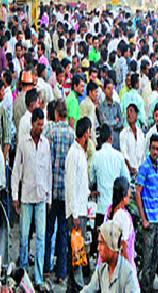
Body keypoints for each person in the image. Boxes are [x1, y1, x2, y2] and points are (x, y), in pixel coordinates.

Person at [12, 108, 52, 290]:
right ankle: (23, 276)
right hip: (26, 197)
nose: (40, 127)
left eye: (42, 124)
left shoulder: (46, 144)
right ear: (32, 123)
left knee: (41, 238)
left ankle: (38, 278)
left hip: (42, 196)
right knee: (24, 237)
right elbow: (16, 171)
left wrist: (49, 196)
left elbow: (48, 171)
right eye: (38, 124)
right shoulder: (23, 143)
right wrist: (15, 196)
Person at [44, 100, 75, 283]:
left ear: (56, 114)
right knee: (63, 232)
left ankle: (46, 268)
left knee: (48, 231)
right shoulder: (71, 135)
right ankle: (62, 273)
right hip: (65, 192)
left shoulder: (50, 132)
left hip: (51, 189)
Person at [90, 124, 129, 254]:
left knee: (102, 246)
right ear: (111, 138)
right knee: (115, 246)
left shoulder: (96, 156)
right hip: (116, 208)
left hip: (102, 209)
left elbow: (91, 179)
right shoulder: (119, 156)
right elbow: (126, 178)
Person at [65, 117, 91, 291]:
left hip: (82, 208)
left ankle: (72, 286)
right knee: (77, 251)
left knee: (76, 251)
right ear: (86, 132)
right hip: (76, 212)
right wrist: (74, 213)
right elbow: (70, 184)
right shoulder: (73, 154)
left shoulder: (80, 152)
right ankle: (78, 286)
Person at [135, 134, 158, 293]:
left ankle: (149, 287)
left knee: (154, 259)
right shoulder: (144, 167)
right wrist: (143, 218)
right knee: (146, 261)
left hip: (157, 218)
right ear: (149, 148)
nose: (155, 152)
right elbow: (137, 192)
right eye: (153, 148)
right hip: (148, 222)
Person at [81, 220, 139, 292]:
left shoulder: (128, 273)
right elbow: (89, 290)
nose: (98, 248)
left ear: (112, 245)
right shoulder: (101, 269)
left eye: (101, 243)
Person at [111, 177, 136, 269]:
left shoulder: (111, 211)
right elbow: (124, 245)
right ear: (123, 194)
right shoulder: (123, 216)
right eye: (129, 192)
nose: (130, 195)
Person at [120, 103, 145, 176]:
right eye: (127, 112)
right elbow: (124, 154)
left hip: (140, 172)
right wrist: (131, 169)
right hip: (129, 173)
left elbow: (143, 155)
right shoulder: (123, 133)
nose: (129, 114)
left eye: (131, 111)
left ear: (136, 115)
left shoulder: (141, 134)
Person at [99, 78, 123, 150]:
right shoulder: (101, 107)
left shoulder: (117, 106)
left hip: (116, 140)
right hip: (105, 142)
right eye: (108, 88)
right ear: (104, 90)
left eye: (112, 89)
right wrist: (115, 121)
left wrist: (112, 124)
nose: (111, 91)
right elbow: (104, 123)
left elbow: (121, 122)